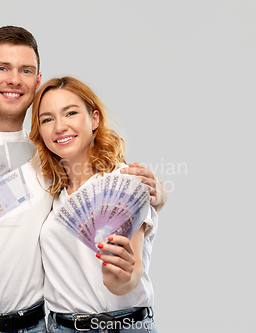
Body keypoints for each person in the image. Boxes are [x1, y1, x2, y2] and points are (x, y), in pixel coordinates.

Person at [0, 26, 166, 333]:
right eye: (2, 67)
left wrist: (158, 194)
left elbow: (128, 241)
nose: (14, 79)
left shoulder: (49, 164)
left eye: (26, 70)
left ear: (37, 80)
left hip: (32, 326)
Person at [29, 76, 159, 332]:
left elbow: (131, 275)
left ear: (95, 119)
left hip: (120, 326)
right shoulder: (50, 194)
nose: (59, 127)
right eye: (47, 119)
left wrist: (119, 278)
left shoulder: (124, 182)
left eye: (71, 113)